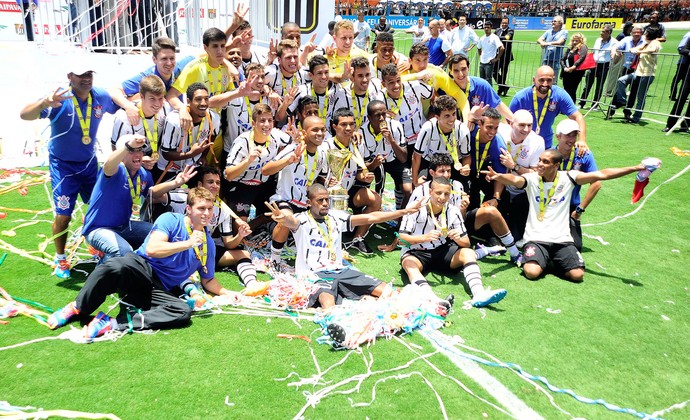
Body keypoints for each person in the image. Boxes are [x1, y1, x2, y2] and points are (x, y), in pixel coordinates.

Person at [46, 187, 240, 341]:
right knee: (113, 266)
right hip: (141, 267)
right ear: (189, 209)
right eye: (201, 208)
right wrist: (188, 244)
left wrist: (227, 293)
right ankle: (78, 307)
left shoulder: (209, 246)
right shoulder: (171, 219)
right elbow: (152, 249)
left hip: (157, 289)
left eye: (210, 209)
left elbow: (208, 280)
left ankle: (112, 323)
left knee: (182, 312)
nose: (206, 213)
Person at [19, 62, 127, 278]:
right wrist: (43, 103)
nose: (86, 78)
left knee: (101, 207)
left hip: (89, 164)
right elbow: (24, 115)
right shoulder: (60, 99)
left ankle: (99, 247)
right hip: (63, 167)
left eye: (89, 74)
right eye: (80, 75)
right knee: (64, 215)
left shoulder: (99, 96)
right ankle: (60, 260)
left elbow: (121, 99)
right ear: (70, 75)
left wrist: (131, 105)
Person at [483, 150, 652, 282]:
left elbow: (602, 174)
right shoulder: (532, 179)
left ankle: (551, 260)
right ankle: (542, 259)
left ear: (556, 165)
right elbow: (514, 180)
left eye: (545, 162)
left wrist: (636, 168)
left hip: (562, 239)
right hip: (536, 238)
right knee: (531, 272)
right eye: (540, 160)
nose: (539, 164)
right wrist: (500, 177)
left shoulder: (569, 177)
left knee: (577, 275)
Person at [264, 184, 428, 311]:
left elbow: (370, 217)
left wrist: (403, 212)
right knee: (328, 304)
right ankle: (337, 327)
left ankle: (427, 304)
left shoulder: (336, 218)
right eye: (320, 200)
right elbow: (290, 221)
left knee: (387, 292)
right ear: (309, 203)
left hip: (340, 270)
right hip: (314, 275)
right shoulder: (302, 220)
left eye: (327, 199)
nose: (325, 203)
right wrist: (282, 218)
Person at [83, 134, 193, 263]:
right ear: (121, 153)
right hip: (98, 229)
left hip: (125, 226)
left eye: (140, 150)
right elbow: (108, 165)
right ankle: (103, 278)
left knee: (162, 237)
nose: (138, 154)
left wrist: (175, 183)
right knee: (123, 251)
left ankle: (160, 274)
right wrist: (127, 146)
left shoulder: (144, 174)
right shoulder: (116, 169)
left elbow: (152, 195)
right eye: (131, 151)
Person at [399, 177, 507, 308]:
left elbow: (466, 243)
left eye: (446, 194)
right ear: (430, 192)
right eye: (438, 193)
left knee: (467, 253)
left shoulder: (453, 210)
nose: (442, 197)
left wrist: (458, 239)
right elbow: (402, 239)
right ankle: (430, 298)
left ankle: (479, 293)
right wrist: (424, 238)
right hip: (417, 251)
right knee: (409, 264)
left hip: (441, 250)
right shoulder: (415, 208)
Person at [166, 167, 258, 287]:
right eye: (210, 182)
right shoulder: (184, 197)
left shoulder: (223, 209)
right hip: (181, 247)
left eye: (218, 182)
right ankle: (190, 289)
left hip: (203, 250)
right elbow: (152, 194)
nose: (215, 185)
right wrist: (175, 183)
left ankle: (253, 286)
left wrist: (240, 235)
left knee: (244, 254)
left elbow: (228, 243)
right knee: (178, 264)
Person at [263, 116, 328, 269]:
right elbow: (265, 170)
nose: (320, 133)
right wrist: (288, 161)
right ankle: (275, 259)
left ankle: (317, 258)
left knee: (327, 217)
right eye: (315, 130)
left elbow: (320, 179)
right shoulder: (294, 148)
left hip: (306, 203)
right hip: (284, 198)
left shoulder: (323, 154)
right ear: (304, 133)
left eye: (322, 130)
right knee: (286, 218)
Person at [224, 104, 291, 229]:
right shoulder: (242, 142)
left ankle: (261, 226)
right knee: (241, 226)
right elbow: (228, 175)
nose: (267, 125)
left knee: (280, 213)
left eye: (270, 120)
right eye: (262, 121)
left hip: (265, 184)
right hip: (242, 185)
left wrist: (296, 139)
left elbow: (294, 143)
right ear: (253, 123)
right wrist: (248, 161)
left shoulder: (276, 135)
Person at [324, 108, 381, 255]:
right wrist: (326, 182)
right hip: (328, 194)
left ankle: (357, 239)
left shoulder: (357, 143)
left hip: (349, 190)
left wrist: (364, 176)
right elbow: (316, 174)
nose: (348, 128)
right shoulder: (326, 146)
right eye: (344, 124)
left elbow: (357, 172)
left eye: (352, 124)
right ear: (334, 126)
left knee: (375, 200)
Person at [509, 66, 588, 150]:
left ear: (553, 80)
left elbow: (577, 117)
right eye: (541, 80)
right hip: (522, 144)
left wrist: (582, 140)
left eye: (549, 80)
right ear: (534, 80)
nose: (545, 84)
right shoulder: (521, 97)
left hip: (545, 145)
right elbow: (507, 121)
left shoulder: (559, 95)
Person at [496, 110, 545, 243]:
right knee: (495, 235)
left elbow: (537, 175)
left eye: (529, 125)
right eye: (522, 125)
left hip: (521, 192)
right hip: (498, 187)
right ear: (511, 124)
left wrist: (514, 166)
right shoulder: (499, 131)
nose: (526, 129)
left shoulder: (537, 142)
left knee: (516, 236)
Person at [156, 83, 221, 183]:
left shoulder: (214, 118)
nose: (203, 103)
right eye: (198, 99)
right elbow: (166, 154)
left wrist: (203, 155)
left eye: (206, 99)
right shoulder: (174, 120)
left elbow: (211, 138)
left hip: (192, 166)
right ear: (188, 101)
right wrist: (191, 153)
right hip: (168, 168)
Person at [552, 120, 600, 251]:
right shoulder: (549, 155)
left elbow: (597, 183)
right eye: (568, 135)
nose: (572, 139)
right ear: (558, 136)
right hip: (549, 206)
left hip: (571, 208)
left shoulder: (584, 155)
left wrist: (579, 210)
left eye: (574, 135)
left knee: (576, 247)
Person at [111, 75, 170, 173]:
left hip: (154, 159)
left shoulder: (166, 108)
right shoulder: (123, 117)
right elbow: (115, 150)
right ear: (141, 96)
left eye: (160, 98)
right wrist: (139, 161)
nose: (157, 104)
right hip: (130, 162)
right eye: (152, 98)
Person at [412, 95, 471, 186]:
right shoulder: (428, 128)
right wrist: (415, 180)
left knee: (462, 193)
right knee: (422, 188)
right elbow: (416, 156)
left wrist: (466, 166)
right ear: (437, 117)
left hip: (453, 164)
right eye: (447, 116)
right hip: (430, 162)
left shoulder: (463, 130)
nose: (452, 119)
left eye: (453, 114)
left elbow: (466, 156)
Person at [380, 63, 433, 156]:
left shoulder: (416, 86)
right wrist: (383, 117)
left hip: (421, 138)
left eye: (398, 80)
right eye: (391, 82)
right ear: (383, 84)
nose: (396, 85)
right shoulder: (379, 99)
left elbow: (430, 94)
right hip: (399, 144)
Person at [120, 37, 195, 99]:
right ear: (154, 59)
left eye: (172, 58)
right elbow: (116, 90)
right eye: (164, 59)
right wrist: (129, 106)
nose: (169, 63)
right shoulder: (147, 77)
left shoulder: (181, 67)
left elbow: (199, 57)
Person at [448, 54, 513, 122]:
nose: (460, 74)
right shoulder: (446, 89)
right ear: (450, 71)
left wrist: (514, 121)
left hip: (479, 128)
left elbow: (498, 105)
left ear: (468, 68)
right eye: (456, 70)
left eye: (463, 69)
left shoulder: (482, 85)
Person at [623, 28, 662, 124]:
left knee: (641, 96)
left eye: (646, 33)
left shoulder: (655, 43)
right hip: (638, 73)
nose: (644, 34)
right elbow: (635, 49)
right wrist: (634, 50)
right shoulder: (645, 43)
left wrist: (639, 52)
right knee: (622, 80)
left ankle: (636, 117)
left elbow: (652, 50)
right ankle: (622, 100)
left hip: (647, 73)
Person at [608, 27, 646, 120]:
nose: (636, 34)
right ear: (631, 33)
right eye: (635, 32)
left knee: (633, 92)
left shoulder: (645, 41)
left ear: (642, 33)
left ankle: (627, 112)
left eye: (638, 32)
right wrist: (614, 51)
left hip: (639, 70)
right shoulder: (626, 39)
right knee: (619, 89)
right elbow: (616, 46)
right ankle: (611, 110)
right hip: (627, 67)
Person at [579, 25, 616, 109]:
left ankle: (595, 104)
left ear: (608, 33)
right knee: (588, 83)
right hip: (593, 64)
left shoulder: (614, 42)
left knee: (599, 85)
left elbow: (614, 52)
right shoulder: (598, 40)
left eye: (603, 31)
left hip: (604, 65)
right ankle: (582, 102)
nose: (601, 33)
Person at [664, 31, 690, 133]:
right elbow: (683, 49)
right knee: (681, 98)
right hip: (688, 73)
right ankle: (670, 124)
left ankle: (685, 125)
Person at [560, 33, 589, 104]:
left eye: (577, 41)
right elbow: (562, 59)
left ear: (581, 41)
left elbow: (582, 58)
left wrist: (573, 67)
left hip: (576, 72)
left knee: (572, 90)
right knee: (566, 89)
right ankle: (565, 106)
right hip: (566, 72)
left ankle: (571, 106)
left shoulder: (583, 47)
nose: (574, 42)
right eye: (573, 40)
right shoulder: (570, 48)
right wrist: (564, 67)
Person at [537, 16, 567, 83]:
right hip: (546, 59)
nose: (553, 22)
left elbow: (559, 42)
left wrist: (546, 43)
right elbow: (539, 39)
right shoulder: (548, 31)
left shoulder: (564, 32)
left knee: (553, 80)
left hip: (556, 60)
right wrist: (542, 43)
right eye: (552, 21)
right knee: (543, 77)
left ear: (560, 23)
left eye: (555, 21)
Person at [477, 21, 504, 87]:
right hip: (482, 62)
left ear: (491, 28)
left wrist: (497, 58)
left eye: (488, 27)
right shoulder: (482, 38)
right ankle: (483, 94)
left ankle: (489, 95)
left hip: (489, 62)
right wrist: (481, 55)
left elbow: (502, 48)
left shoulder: (494, 37)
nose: (486, 29)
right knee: (482, 80)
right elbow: (478, 47)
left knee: (488, 80)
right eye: (485, 27)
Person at [493, 17, 514, 96]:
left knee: (503, 73)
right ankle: (503, 87)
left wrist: (496, 38)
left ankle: (500, 89)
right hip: (498, 55)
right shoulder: (497, 30)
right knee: (494, 72)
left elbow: (507, 37)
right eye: (503, 22)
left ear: (508, 23)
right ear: (501, 22)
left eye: (506, 23)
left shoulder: (510, 30)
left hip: (506, 56)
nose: (504, 24)